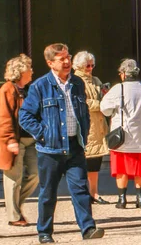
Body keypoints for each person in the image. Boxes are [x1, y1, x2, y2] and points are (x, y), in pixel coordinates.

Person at [19, 43, 104, 244]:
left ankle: (88, 228)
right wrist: (43, 134)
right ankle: (45, 232)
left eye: (68, 57)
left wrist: (85, 133)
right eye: (61, 59)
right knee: (48, 193)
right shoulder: (40, 86)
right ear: (50, 63)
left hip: (75, 146)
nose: (67, 62)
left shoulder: (77, 83)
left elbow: (83, 112)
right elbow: (25, 116)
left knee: (80, 190)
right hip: (50, 150)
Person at [100, 58, 141, 209]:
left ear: (124, 74)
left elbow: (104, 109)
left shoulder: (117, 89)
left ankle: (122, 199)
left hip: (121, 136)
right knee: (139, 168)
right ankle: (140, 199)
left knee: (121, 168)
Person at [0, 54, 39, 226]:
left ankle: (14, 205)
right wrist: (10, 140)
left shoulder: (28, 89)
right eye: (29, 68)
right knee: (14, 178)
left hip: (31, 140)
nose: (32, 71)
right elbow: (3, 117)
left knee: (36, 174)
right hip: (15, 141)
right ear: (20, 71)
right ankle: (13, 216)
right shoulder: (7, 89)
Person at [73, 51, 109, 204]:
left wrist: (106, 94)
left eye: (92, 65)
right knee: (83, 161)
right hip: (86, 125)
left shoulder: (95, 80)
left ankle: (94, 193)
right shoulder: (75, 80)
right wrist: (102, 105)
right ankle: (83, 194)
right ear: (80, 66)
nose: (90, 68)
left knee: (95, 161)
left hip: (99, 124)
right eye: (87, 65)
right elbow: (82, 102)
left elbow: (104, 98)